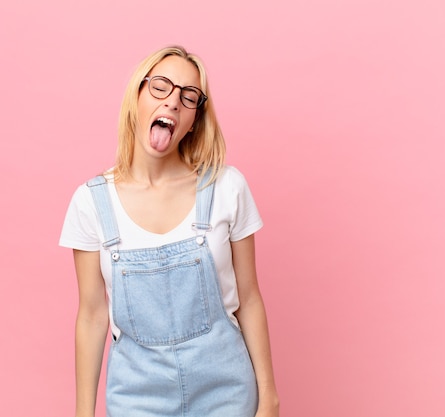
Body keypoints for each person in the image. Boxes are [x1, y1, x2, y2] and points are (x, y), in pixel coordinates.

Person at [60, 45, 280, 417]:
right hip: (136, 398)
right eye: (160, 87)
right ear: (138, 97)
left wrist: (269, 399)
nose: (173, 102)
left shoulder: (227, 187)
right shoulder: (91, 202)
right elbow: (92, 315)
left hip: (226, 393)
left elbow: (250, 298)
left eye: (188, 96)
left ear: (194, 119)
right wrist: (84, 414)